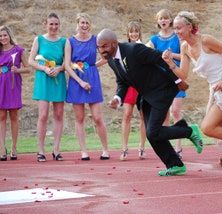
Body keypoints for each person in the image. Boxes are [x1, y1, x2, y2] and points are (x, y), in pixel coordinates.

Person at [162, 11, 222, 179]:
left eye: (179, 28)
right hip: (214, 89)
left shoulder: (205, 40)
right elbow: (183, 75)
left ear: (190, 26)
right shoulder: (185, 47)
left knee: (207, 127)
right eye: (174, 28)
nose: (176, 31)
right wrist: (170, 63)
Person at [96, 28, 203, 176]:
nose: (101, 50)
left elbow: (160, 58)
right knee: (151, 133)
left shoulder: (134, 50)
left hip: (162, 89)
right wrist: (117, 98)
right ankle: (175, 165)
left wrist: (178, 80)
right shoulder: (111, 61)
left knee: (153, 132)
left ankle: (189, 131)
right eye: (99, 47)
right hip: (146, 95)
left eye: (105, 46)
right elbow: (122, 82)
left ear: (114, 44)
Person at [64, 13, 110, 161]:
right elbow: (67, 65)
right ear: (77, 24)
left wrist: (91, 67)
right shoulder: (69, 41)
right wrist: (80, 81)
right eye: (82, 23)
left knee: (97, 117)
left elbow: (106, 57)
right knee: (79, 117)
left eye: (87, 23)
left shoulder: (96, 40)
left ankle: (105, 150)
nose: (84, 25)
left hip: (92, 78)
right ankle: (84, 151)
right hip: (76, 80)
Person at [146, 9, 185, 159]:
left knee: (176, 111)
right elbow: (144, 49)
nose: (163, 21)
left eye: (166, 18)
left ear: (170, 20)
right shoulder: (154, 39)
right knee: (164, 116)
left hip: (176, 78)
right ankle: (169, 150)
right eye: (161, 18)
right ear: (158, 21)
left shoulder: (178, 38)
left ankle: (179, 148)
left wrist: (170, 55)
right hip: (160, 81)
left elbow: (183, 57)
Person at [28, 13, 66, 162]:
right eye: (51, 24)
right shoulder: (39, 39)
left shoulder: (64, 41)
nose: (54, 27)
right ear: (46, 24)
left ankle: (56, 150)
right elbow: (31, 60)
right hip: (43, 79)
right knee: (43, 115)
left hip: (58, 78)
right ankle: (41, 150)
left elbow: (66, 62)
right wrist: (43, 69)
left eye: (56, 24)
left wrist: (59, 69)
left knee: (58, 114)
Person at [0, 26, 30, 161]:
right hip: (1, 85)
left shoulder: (18, 50)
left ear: (9, 35)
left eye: (5, 35)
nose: (2, 38)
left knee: (13, 115)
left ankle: (14, 147)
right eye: (0, 36)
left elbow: (28, 68)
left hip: (13, 85)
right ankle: (2, 148)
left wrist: (17, 70)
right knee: (1, 116)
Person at [119, 21, 147, 161]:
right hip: (130, 86)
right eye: (131, 31)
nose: (134, 34)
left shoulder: (144, 47)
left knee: (143, 117)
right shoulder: (123, 48)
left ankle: (142, 148)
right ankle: (124, 148)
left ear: (139, 33)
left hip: (142, 86)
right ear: (128, 33)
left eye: (136, 31)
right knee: (127, 115)